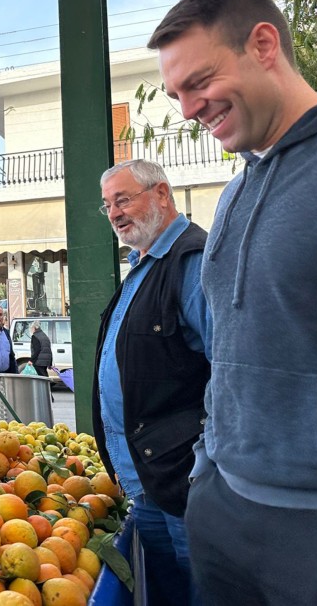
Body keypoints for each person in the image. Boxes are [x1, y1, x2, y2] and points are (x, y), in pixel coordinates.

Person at [150, 0, 317, 606]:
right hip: (224, 511)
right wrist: (207, 471)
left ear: (265, 44)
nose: (189, 108)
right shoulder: (233, 195)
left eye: (199, 81)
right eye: (176, 95)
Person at [93, 159, 211, 606]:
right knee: (167, 592)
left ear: (161, 194)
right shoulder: (142, 264)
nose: (116, 213)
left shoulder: (191, 261)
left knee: (201, 591)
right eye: (108, 206)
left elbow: (230, 370)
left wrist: (204, 465)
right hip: (147, 479)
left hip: (187, 482)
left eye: (124, 199)